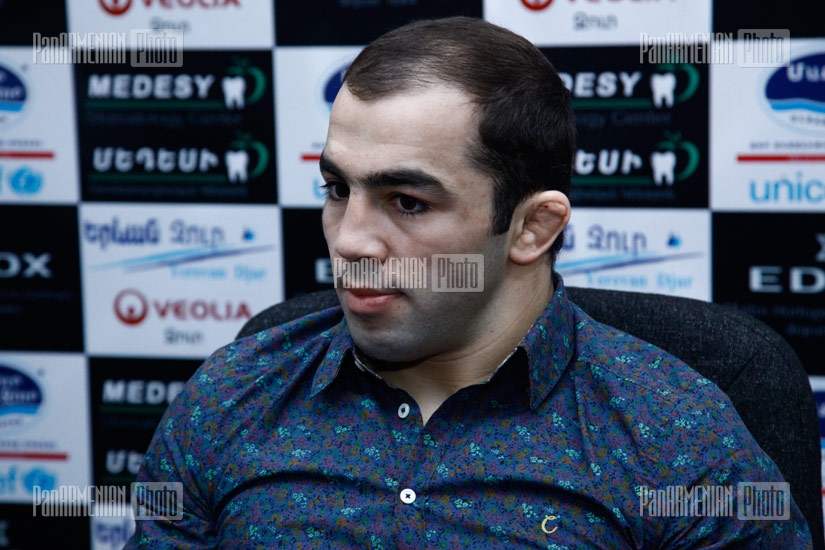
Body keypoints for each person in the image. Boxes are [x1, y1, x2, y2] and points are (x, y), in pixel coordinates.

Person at [126, 16, 812, 548]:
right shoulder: (230, 398)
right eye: (337, 188)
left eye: (408, 202)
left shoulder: (676, 439)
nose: (350, 238)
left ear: (530, 229)